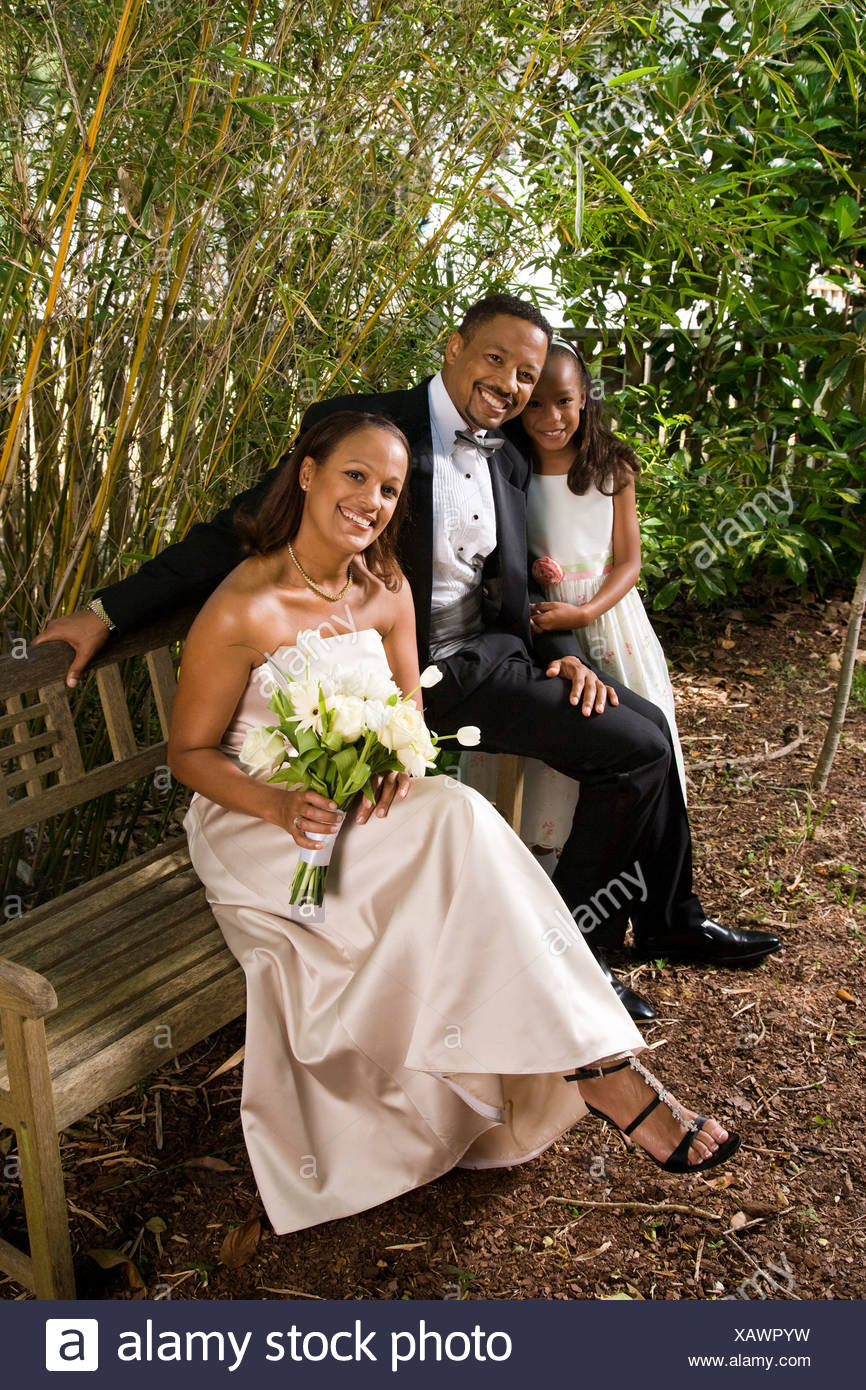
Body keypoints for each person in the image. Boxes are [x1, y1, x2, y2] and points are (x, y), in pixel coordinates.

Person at [36, 293, 782, 1022]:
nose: (513, 385)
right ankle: (577, 955)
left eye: (526, 375)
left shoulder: (511, 455)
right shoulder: (364, 427)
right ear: (453, 347)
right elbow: (237, 530)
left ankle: (668, 917)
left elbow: (517, 578)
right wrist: (108, 611)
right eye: (496, 360)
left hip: (486, 658)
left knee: (644, 731)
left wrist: (563, 652)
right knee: (633, 749)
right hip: (397, 681)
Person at [165, 408, 739, 1235]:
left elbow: (405, 714)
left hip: (368, 809)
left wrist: (392, 758)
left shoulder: (386, 587)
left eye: (390, 488)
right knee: (460, 822)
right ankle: (608, 1072)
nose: (371, 499)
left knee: (453, 821)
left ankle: (597, 1063)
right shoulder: (243, 607)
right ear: (307, 474)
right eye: (354, 476)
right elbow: (189, 755)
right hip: (261, 824)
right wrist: (286, 804)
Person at [464, 338, 687, 859]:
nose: (549, 416)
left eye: (563, 400)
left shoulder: (611, 465)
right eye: (535, 403)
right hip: (542, 624)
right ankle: (551, 854)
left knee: (632, 730)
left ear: (584, 395)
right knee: (560, 738)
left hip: (605, 616)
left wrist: (585, 610)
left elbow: (629, 562)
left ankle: (631, 854)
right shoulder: (506, 466)